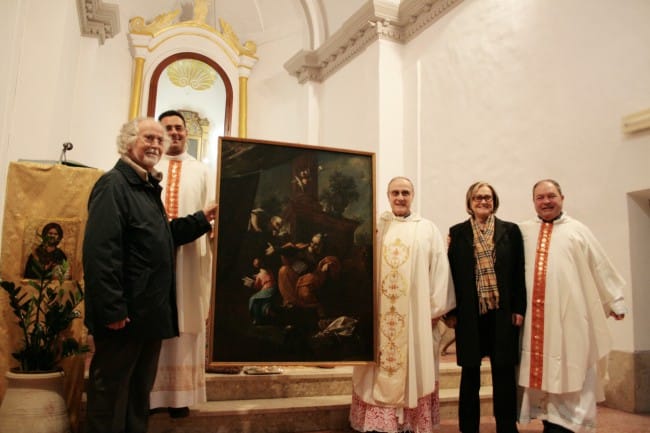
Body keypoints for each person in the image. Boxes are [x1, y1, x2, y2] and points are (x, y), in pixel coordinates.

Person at [82, 117, 217, 433]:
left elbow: (162, 236)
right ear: (128, 141)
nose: (157, 144)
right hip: (125, 316)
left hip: (149, 315)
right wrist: (112, 308)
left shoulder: (146, 186)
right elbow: (101, 252)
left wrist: (201, 219)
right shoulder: (114, 184)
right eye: (149, 138)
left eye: (160, 140)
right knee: (111, 394)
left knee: (138, 394)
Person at [517, 179, 627, 433]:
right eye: (540, 197)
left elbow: (599, 265)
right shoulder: (523, 231)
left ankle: (569, 421)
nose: (546, 201)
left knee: (573, 363)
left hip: (571, 317)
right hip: (536, 320)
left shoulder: (578, 230)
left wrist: (615, 300)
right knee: (541, 369)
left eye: (551, 196)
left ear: (562, 198)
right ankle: (548, 417)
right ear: (533, 202)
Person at [349, 176, 456, 433]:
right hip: (379, 318)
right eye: (395, 192)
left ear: (413, 195)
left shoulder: (427, 229)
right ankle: (379, 423)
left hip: (415, 319)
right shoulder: (376, 228)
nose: (400, 197)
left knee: (414, 374)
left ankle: (410, 423)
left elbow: (440, 272)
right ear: (387, 196)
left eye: (405, 192)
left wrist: (434, 311)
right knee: (376, 371)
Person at [446, 181, 526, 433]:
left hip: (502, 313)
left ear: (494, 201)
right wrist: (451, 312)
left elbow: (518, 273)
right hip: (470, 314)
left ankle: (506, 427)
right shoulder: (457, 233)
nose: (483, 201)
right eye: (478, 197)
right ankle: (468, 428)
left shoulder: (510, 231)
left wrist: (519, 309)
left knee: (503, 374)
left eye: (488, 198)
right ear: (470, 202)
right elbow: (450, 277)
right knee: (470, 375)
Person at [149, 109, 214, 418]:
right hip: (152, 261)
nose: (174, 132)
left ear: (187, 132)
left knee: (186, 318)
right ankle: (150, 396)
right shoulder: (147, 169)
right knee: (153, 319)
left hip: (190, 258)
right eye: (168, 128)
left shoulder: (203, 171)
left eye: (179, 128)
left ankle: (180, 397)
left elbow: (214, 213)